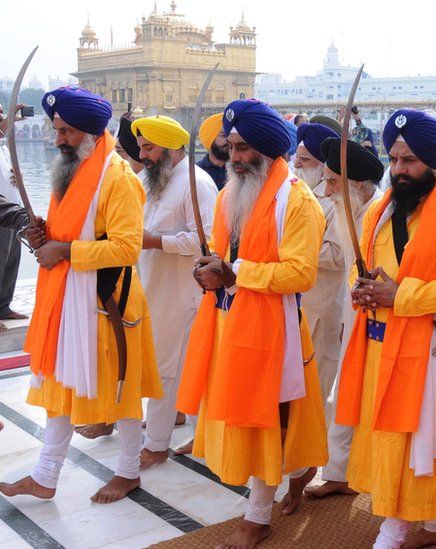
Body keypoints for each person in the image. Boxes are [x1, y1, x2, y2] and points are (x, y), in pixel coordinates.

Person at [176, 98, 327, 548]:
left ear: (267, 149)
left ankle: (257, 517)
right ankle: (300, 471)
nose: (234, 157)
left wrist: (234, 273)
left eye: (243, 148)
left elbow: (301, 274)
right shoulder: (227, 196)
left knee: (266, 420)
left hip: (271, 329)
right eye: (231, 147)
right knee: (246, 418)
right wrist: (207, 273)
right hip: (224, 324)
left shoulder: (297, 201)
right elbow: (222, 262)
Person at [0, 86, 162, 504]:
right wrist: (41, 234)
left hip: (107, 302)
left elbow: (127, 247)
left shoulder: (117, 177)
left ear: (91, 132)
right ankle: (45, 475)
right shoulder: (72, 170)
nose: (58, 140)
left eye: (66, 132)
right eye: (56, 130)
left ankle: (128, 471)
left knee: (121, 387)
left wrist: (65, 250)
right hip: (67, 299)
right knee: (60, 381)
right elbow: (66, 233)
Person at [335, 109, 436, 549]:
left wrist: (400, 296)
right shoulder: (378, 212)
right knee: (389, 442)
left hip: (425, 353)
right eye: (395, 160)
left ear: (435, 164)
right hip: (378, 347)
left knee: (415, 447)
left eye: (410, 161)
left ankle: (393, 531)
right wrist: (360, 290)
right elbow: (360, 269)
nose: (400, 170)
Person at [130, 115, 218, 470]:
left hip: (184, 293)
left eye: (148, 148)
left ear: (168, 148)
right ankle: (200, 433)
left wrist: (156, 241)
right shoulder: (148, 179)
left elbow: (208, 242)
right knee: (169, 366)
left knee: (170, 367)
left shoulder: (198, 184)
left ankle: (157, 444)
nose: (142, 155)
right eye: (140, 148)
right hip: (151, 287)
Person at [304, 136, 384, 500]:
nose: (326, 187)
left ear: (358, 184)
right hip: (354, 310)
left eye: (334, 180)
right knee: (347, 390)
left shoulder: (383, 212)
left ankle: (372, 472)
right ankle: (337, 472)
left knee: (372, 395)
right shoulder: (345, 207)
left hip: (386, 315)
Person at [292, 122, 343, 411]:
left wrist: (293, 248)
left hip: (323, 305)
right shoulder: (295, 190)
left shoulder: (335, 197)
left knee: (315, 391)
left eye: (305, 159)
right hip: (295, 304)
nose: (296, 163)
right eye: (296, 156)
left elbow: (337, 254)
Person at [0, 104, 29, 326]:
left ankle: (4, 306)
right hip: (2, 214)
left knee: (11, 260)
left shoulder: (4, 146)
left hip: (13, 211)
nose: (3, 118)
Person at [197, 113, 230, 190]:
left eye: (230, 135)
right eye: (224, 135)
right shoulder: (196, 172)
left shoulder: (240, 169)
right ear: (210, 139)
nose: (229, 140)